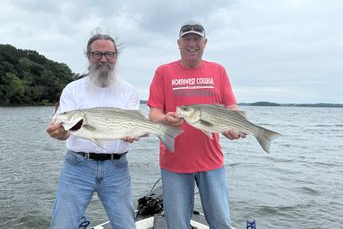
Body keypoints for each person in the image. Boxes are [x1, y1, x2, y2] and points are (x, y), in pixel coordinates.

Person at [147, 20, 245, 229]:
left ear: (205, 43)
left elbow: (230, 106)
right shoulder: (163, 72)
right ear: (179, 43)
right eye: (187, 39)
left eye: (196, 39)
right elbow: (153, 112)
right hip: (174, 161)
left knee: (221, 222)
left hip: (211, 160)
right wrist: (165, 119)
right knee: (177, 224)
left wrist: (234, 125)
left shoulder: (218, 70)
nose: (192, 43)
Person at [46, 32, 138, 229]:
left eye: (109, 54)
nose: (103, 59)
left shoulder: (129, 91)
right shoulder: (72, 89)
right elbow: (65, 132)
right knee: (62, 225)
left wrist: (134, 133)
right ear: (88, 57)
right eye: (97, 54)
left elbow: (132, 125)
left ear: (116, 57)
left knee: (126, 225)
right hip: (77, 166)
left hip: (117, 169)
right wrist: (60, 133)